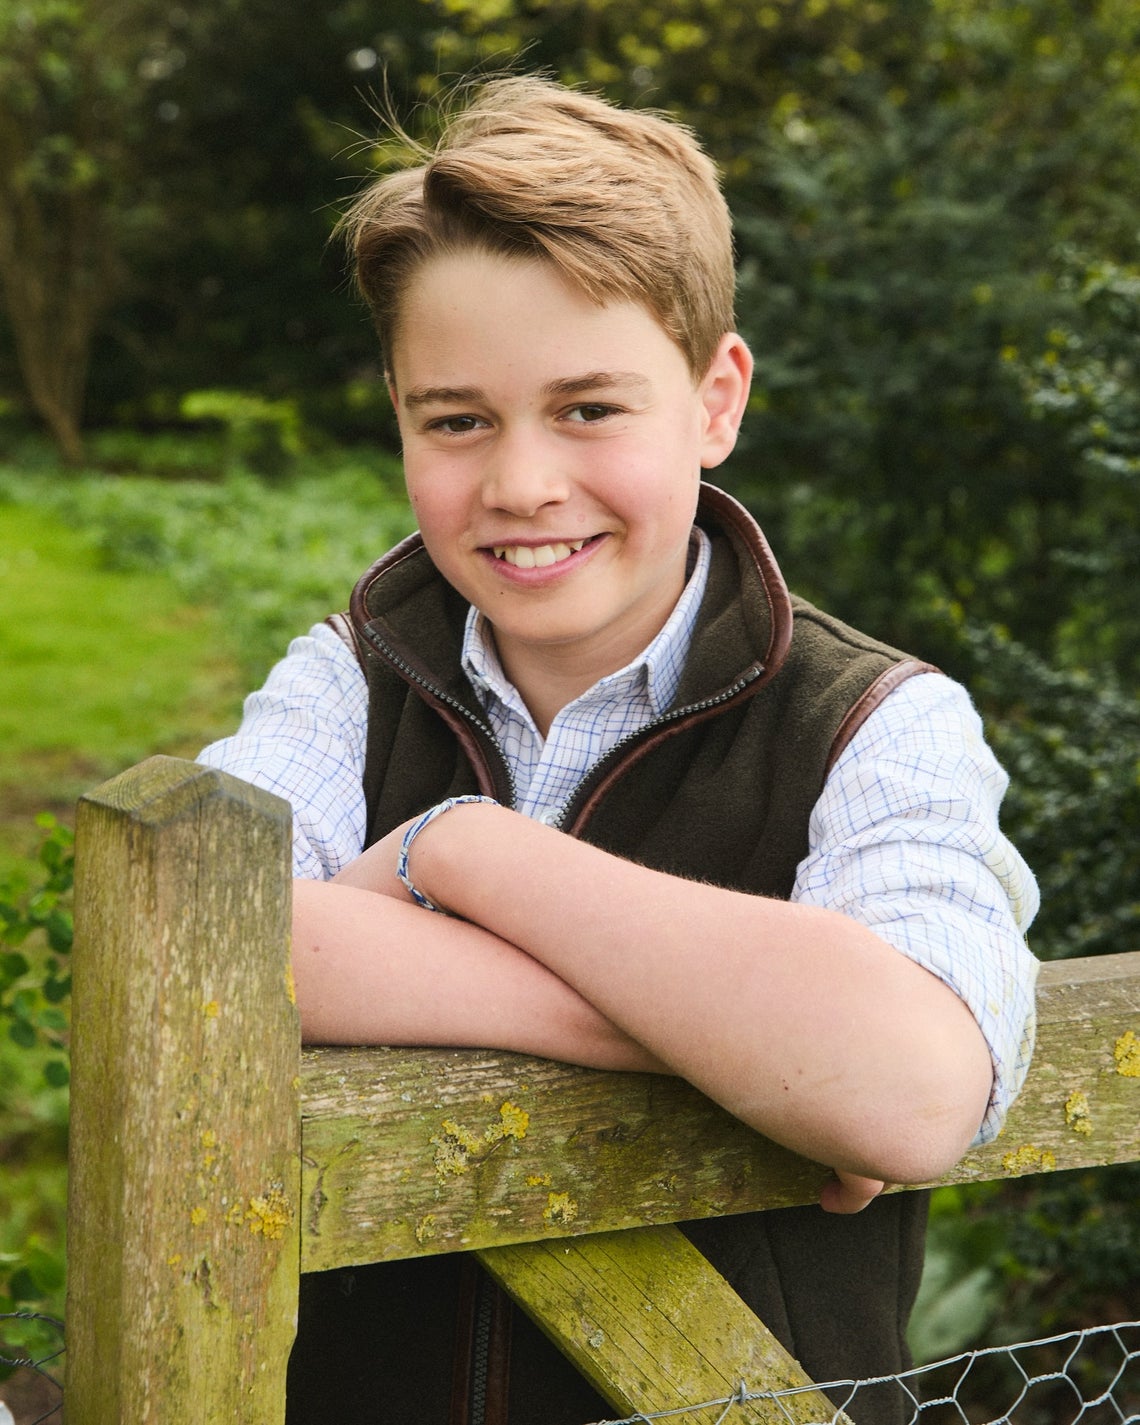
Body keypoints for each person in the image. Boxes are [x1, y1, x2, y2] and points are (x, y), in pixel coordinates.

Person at [198, 74, 1039, 1425]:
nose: (522, 483)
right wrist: (730, 1045)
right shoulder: (345, 680)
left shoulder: (877, 724)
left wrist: (458, 851)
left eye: (590, 408)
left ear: (715, 401)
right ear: (399, 411)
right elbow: (204, 943)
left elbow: (911, 1086)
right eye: (456, 419)